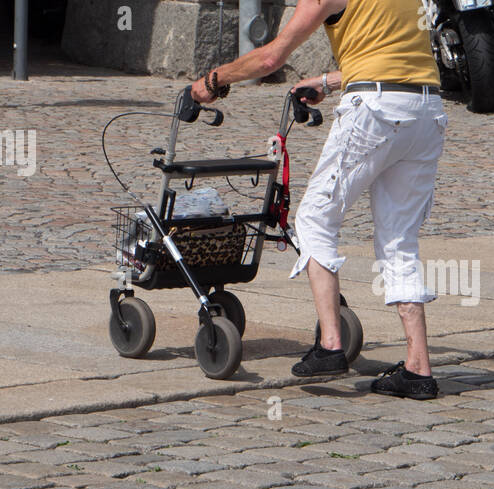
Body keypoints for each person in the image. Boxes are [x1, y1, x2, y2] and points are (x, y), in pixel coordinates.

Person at [192, 0, 447, 400]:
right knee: (399, 238)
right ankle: (418, 369)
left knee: (314, 219)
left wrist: (211, 81)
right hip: (427, 111)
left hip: (375, 111)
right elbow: (392, 60)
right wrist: (327, 82)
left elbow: (271, 56)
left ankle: (330, 344)